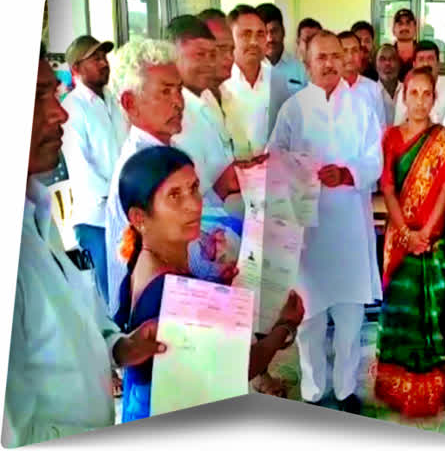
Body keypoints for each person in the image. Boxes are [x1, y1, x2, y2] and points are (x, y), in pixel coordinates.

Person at [2, 44, 165, 448]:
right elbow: (14, 434)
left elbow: (72, 321)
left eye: (53, 95)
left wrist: (121, 347)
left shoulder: (36, 213)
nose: (60, 113)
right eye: (37, 98)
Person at [112, 145, 305, 422]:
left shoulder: (142, 265)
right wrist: (284, 326)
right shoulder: (169, 288)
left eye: (193, 188)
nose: (193, 204)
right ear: (139, 218)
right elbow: (237, 367)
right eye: (174, 196)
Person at [268, 30, 383, 414]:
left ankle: (347, 388)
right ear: (308, 62)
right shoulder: (293, 108)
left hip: (349, 225)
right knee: (310, 318)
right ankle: (313, 392)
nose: (331, 63)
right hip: (307, 232)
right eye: (322, 57)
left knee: (350, 319)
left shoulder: (362, 106)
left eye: (337, 56)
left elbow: (375, 160)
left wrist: (348, 173)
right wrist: (299, 173)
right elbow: (274, 159)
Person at [104, 39, 247, 317]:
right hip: (157, 314)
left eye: (178, 89)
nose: (178, 102)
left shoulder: (165, 153)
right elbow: (157, 253)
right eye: (165, 91)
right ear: (130, 103)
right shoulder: (140, 169)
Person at [374, 66, 445, 417]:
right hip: (399, 242)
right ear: (403, 96)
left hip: (433, 240)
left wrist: (426, 233)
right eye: (413, 93)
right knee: (398, 314)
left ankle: (426, 391)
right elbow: (387, 188)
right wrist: (405, 233)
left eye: (426, 94)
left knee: (429, 317)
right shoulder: (391, 138)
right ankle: (394, 388)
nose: (419, 101)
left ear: (435, 98)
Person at [61, 35, 130, 307]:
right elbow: (81, 168)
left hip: (125, 212)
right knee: (108, 293)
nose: (104, 63)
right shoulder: (72, 108)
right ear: (76, 69)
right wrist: (118, 195)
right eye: (96, 59)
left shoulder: (113, 100)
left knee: (128, 285)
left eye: (104, 57)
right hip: (96, 219)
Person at [167, 15, 243, 199]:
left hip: (228, 216)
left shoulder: (208, 96)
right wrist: (223, 185)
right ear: (173, 55)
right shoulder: (171, 112)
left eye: (212, 55)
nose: (210, 63)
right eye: (200, 55)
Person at [221, 4, 273, 158]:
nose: (254, 42)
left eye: (260, 34)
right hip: (230, 174)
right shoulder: (219, 83)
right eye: (246, 34)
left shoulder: (278, 81)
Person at [255, 3, 308, 113]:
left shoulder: (300, 70)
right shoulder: (249, 71)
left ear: (283, 31)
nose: (270, 38)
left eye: (274, 31)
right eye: (263, 33)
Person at [394, 40, 445, 125]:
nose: (426, 63)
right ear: (414, 65)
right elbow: (398, 125)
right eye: (421, 59)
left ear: (438, 63)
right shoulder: (405, 91)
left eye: (430, 58)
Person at [338, 31, 386, 128]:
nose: (350, 56)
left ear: (361, 54)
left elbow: (381, 128)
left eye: (354, 50)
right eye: (344, 51)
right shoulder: (327, 88)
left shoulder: (373, 88)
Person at [197, 8, 236, 106]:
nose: (230, 57)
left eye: (232, 49)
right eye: (222, 48)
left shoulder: (230, 96)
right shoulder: (185, 107)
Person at [376, 44, 402, 128]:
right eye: (382, 59)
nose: (387, 63)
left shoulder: (409, 91)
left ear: (399, 64)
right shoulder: (369, 94)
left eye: (392, 59)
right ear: (375, 65)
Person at [392, 8, 418, 81]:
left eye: (408, 23)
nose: (404, 27)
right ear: (393, 29)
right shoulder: (387, 54)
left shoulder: (422, 54)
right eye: (400, 24)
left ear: (415, 28)